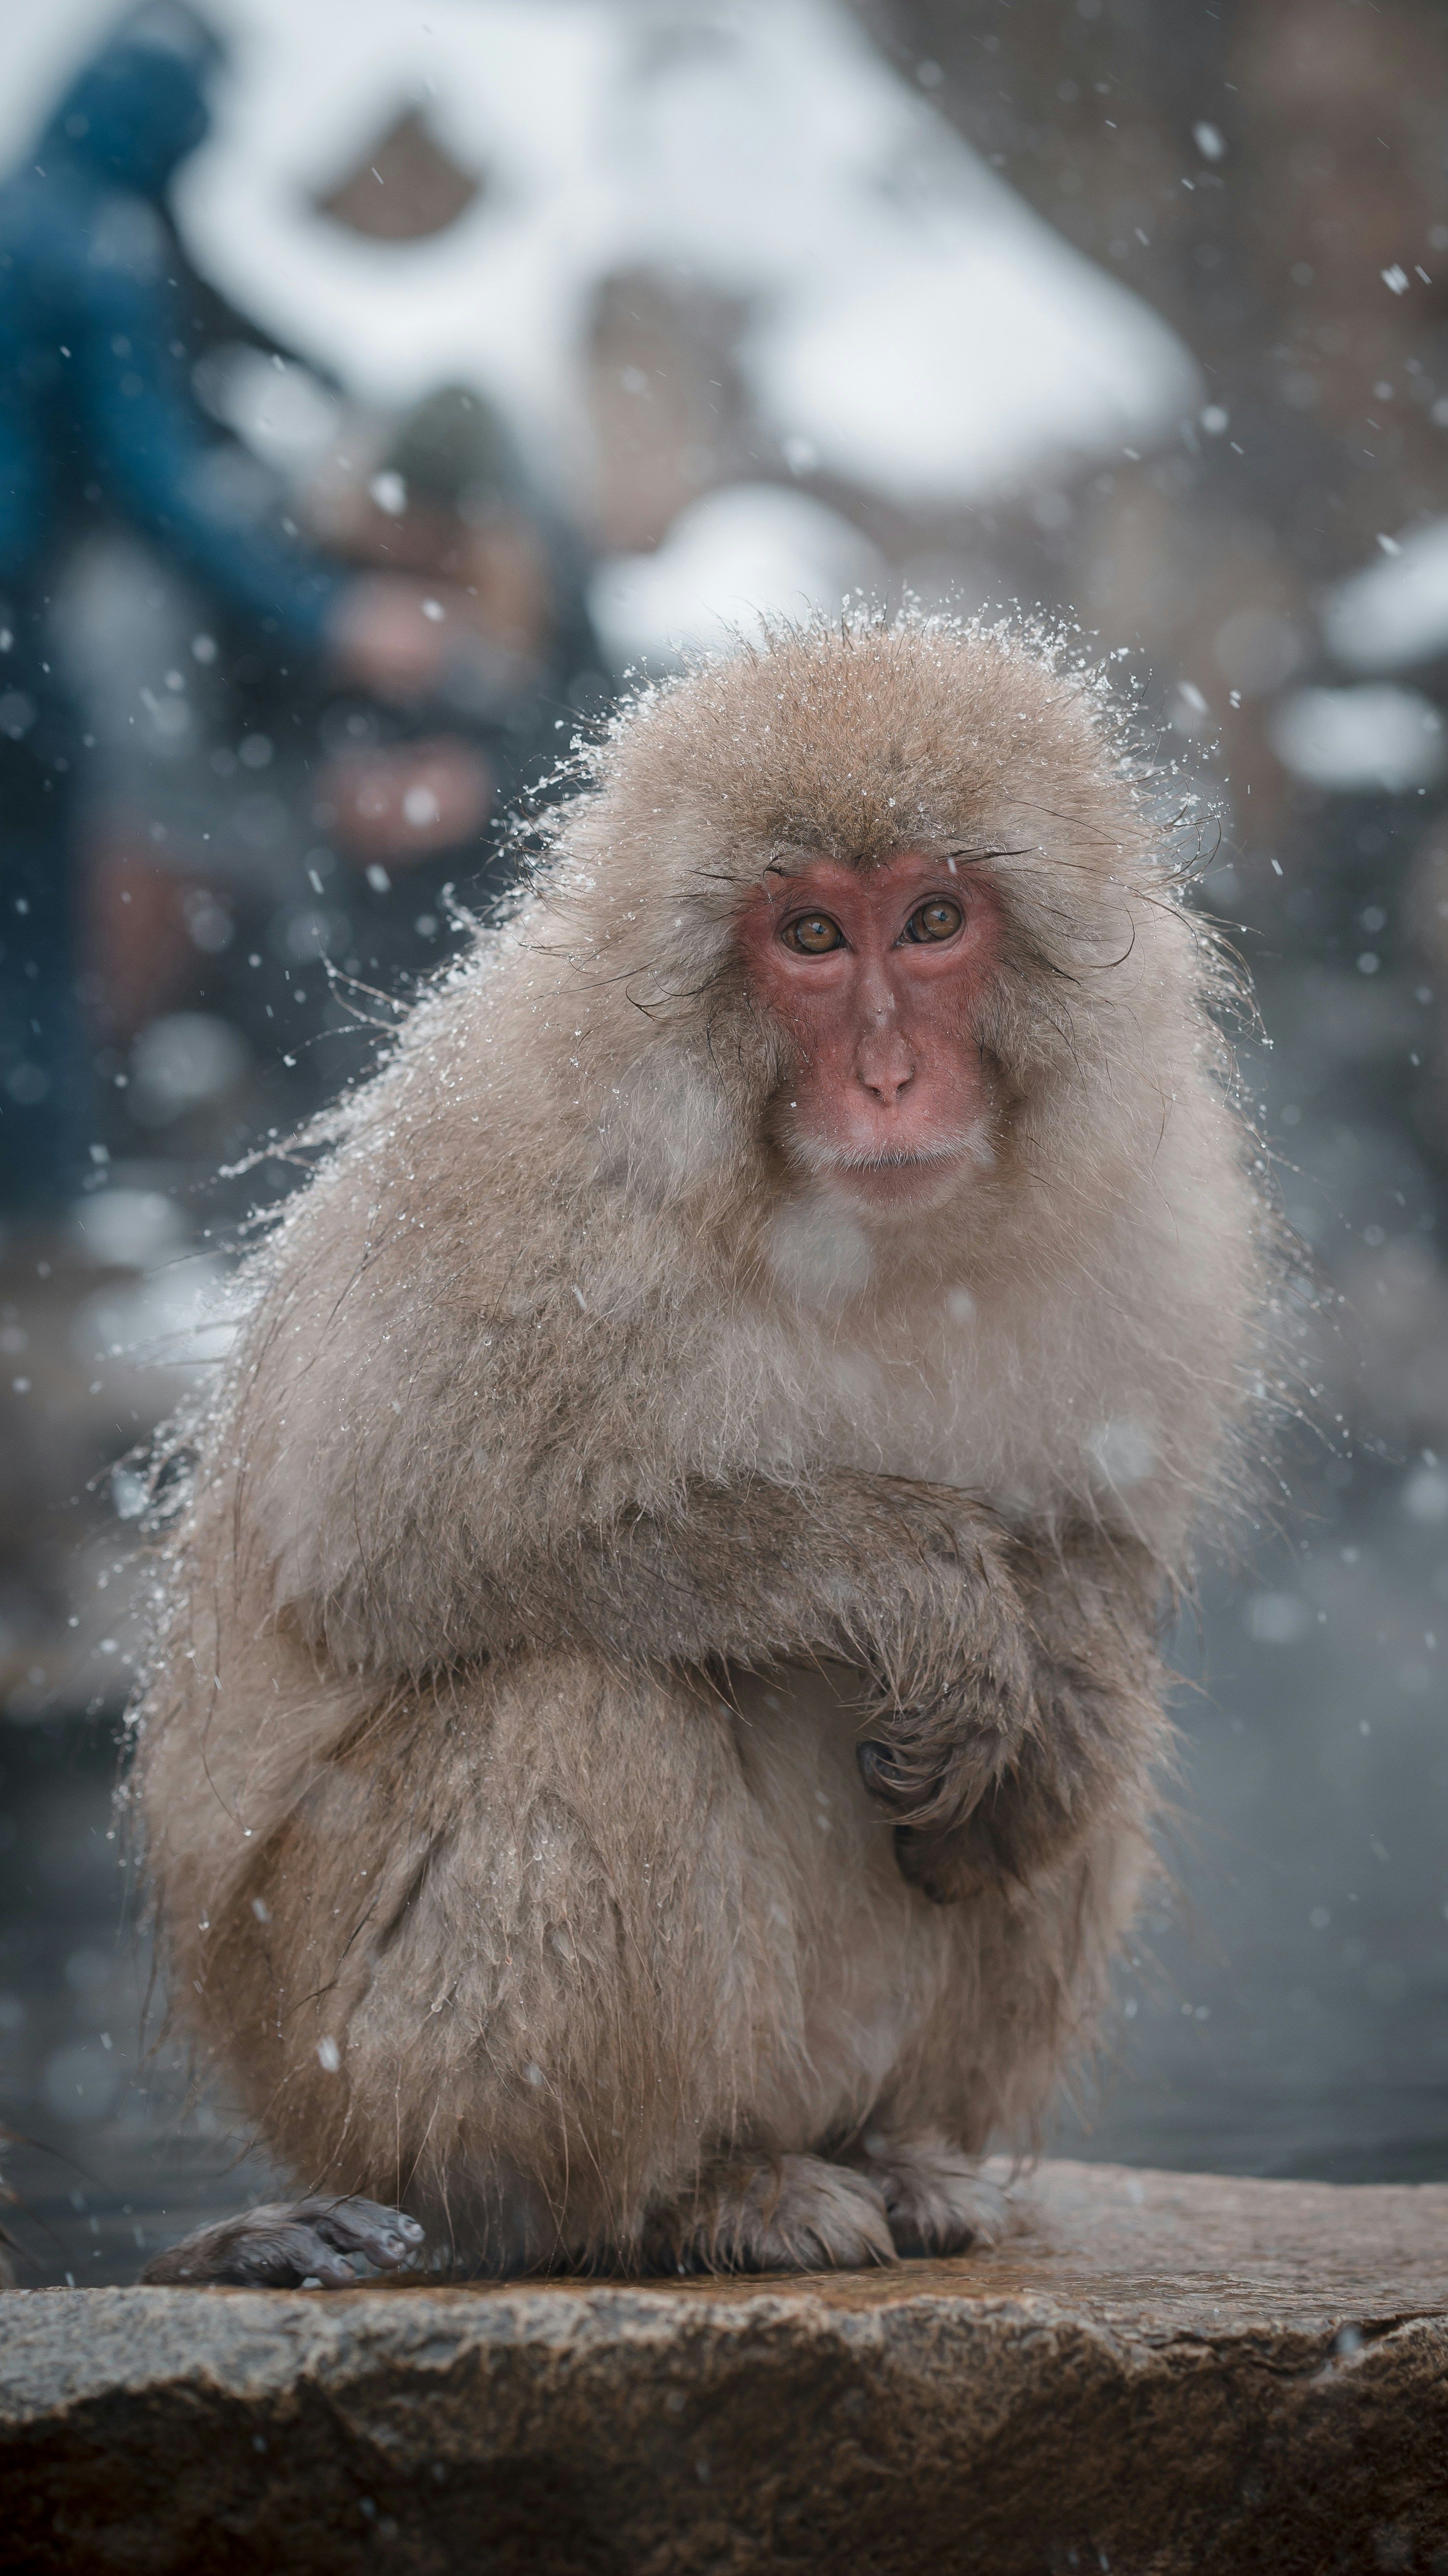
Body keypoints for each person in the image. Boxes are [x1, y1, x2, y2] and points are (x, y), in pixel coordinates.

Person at [0, 9, 454, 1227]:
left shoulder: (40, 205)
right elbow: (158, 486)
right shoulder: (93, 247)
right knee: (34, 905)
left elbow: (201, 306)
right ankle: (41, 1207)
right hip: (12, 623)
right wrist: (325, 614)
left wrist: (319, 374)